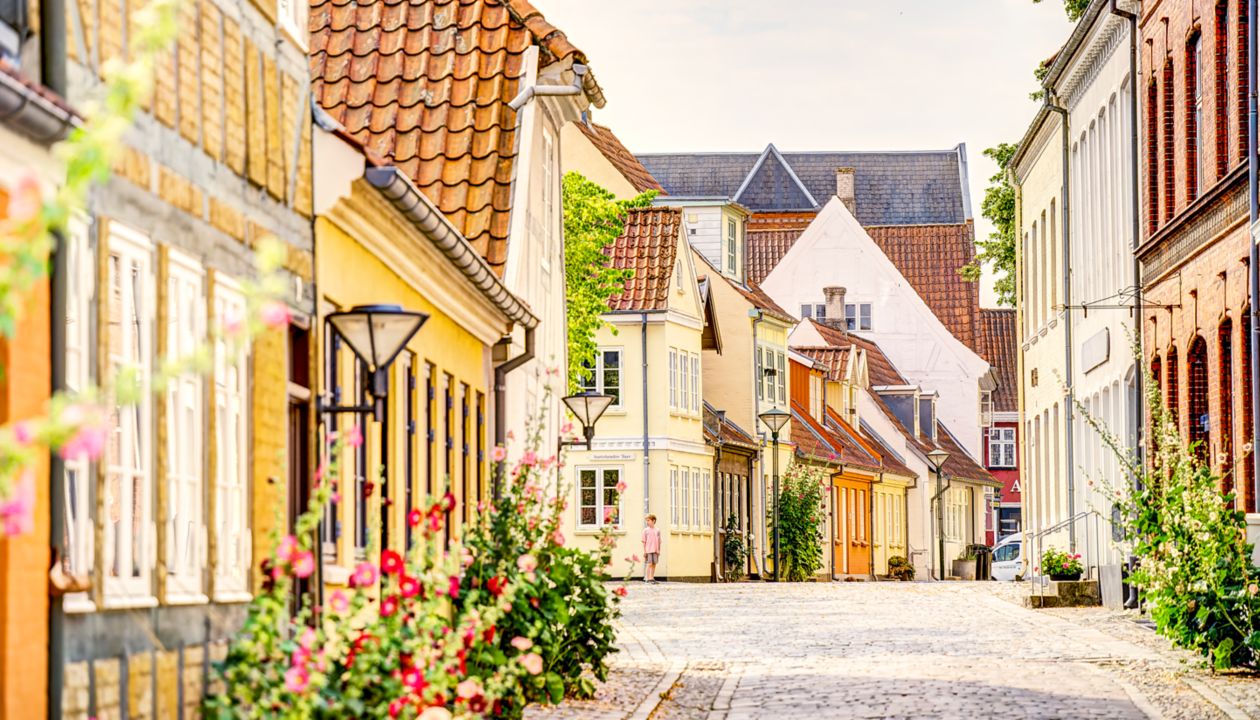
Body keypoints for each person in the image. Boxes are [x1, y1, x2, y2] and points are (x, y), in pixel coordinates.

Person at [642, 514, 661, 583]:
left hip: (655, 550)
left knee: (654, 564)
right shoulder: (645, 530)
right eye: (646, 521)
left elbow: (659, 541)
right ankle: (647, 578)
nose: (647, 522)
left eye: (648, 520)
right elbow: (644, 542)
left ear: (653, 521)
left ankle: (652, 577)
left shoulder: (657, 530)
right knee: (649, 563)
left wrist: (658, 550)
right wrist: (645, 551)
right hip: (648, 550)